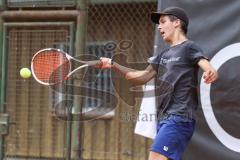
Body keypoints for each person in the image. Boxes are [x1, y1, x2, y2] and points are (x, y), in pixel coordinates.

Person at [97, 6, 218, 160]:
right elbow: (139, 77)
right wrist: (113, 64)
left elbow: (204, 64)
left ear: (176, 23)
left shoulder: (189, 47)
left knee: (155, 157)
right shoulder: (163, 55)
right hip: (163, 119)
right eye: (158, 23)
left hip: (179, 116)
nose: (159, 26)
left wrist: (210, 71)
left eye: (163, 21)